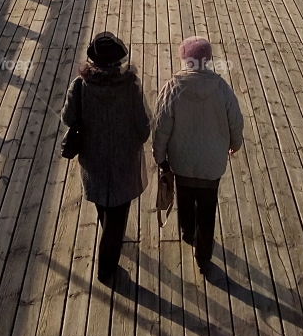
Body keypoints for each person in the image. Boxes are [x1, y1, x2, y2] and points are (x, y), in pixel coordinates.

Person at [61, 32, 150, 285]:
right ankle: (106, 269)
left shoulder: (80, 85)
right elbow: (143, 126)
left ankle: (109, 239)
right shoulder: (131, 86)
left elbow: (68, 118)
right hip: (124, 162)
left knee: (104, 207)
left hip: (94, 161)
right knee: (118, 214)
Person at [152, 36, 244, 270]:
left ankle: (187, 231)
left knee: (184, 197)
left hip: (181, 161)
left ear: (184, 59)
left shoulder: (172, 87)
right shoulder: (221, 87)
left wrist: (160, 157)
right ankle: (203, 255)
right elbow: (236, 121)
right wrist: (236, 143)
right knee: (207, 206)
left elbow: (161, 127)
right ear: (209, 60)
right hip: (211, 164)